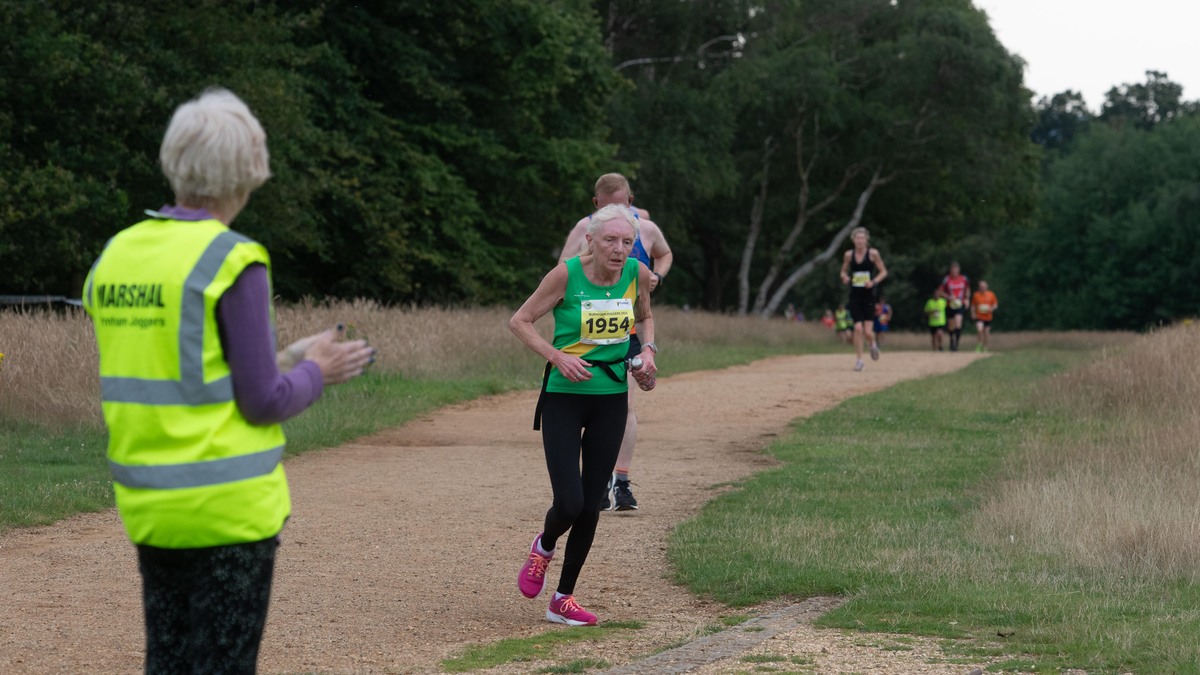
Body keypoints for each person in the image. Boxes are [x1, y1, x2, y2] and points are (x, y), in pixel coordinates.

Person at [81, 88, 375, 674]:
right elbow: (262, 401)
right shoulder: (233, 257)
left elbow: (184, 368)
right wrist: (318, 371)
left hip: (149, 505)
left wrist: (285, 355)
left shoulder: (117, 254)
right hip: (228, 512)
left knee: (168, 661)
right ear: (248, 168)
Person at [510, 204, 658, 626]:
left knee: (591, 503)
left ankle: (562, 599)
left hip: (611, 397)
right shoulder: (565, 275)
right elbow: (520, 321)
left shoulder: (636, 274)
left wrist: (648, 353)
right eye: (610, 240)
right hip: (564, 396)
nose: (619, 249)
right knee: (570, 502)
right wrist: (557, 356)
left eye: (627, 242)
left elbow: (645, 317)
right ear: (590, 240)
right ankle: (544, 546)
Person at [559, 173, 672, 512]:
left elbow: (664, 255)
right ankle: (589, 482)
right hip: (586, 339)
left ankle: (620, 480)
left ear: (631, 201)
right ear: (595, 205)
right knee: (585, 407)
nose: (616, 212)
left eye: (622, 205)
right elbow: (561, 270)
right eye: (607, 207)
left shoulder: (645, 229)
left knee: (625, 405)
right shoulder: (585, 229)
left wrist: (656, 276)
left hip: (628, 333)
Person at [839, 227, 888, 371]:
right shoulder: (849, 255)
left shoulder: (873, 254)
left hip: (869, 296)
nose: (860, 241)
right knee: (857, 328)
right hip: (855, 295)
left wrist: (873, 282)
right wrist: (844, 277)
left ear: (867, 240)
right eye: (857, 238)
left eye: (862, 238)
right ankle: (859, 360)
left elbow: (883, 271)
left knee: (867, 331)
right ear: (853, 240)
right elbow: (843, 271)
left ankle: (873, 345)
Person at [938, 262, 971, 352]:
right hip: (950, 304)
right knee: (951, 326)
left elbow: (968, 289)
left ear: (959, 270)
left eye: (956, 269)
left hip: (960, 304)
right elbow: (940, 291)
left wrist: (967, 299)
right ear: (950, 270)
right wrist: (948, 297)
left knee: (958, 323)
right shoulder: (947, 279)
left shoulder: (964, 279)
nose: (954, 271)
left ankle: (956, 344)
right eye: (953, 270)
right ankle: (951, 340)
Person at [971, 281, 999, 352]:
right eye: (981, 287)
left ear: (987, 287)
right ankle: (978, 345)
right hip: (979, 317)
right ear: (979, 287)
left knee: (986, 333)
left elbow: (995, 305)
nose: (982, 288)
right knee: (979, 330)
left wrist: (991, 309)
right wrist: (973, 313)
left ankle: (985, 347)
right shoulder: (976, 295)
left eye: (983, 286)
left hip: (988, 317)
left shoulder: (991, 294)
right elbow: (973, 305)